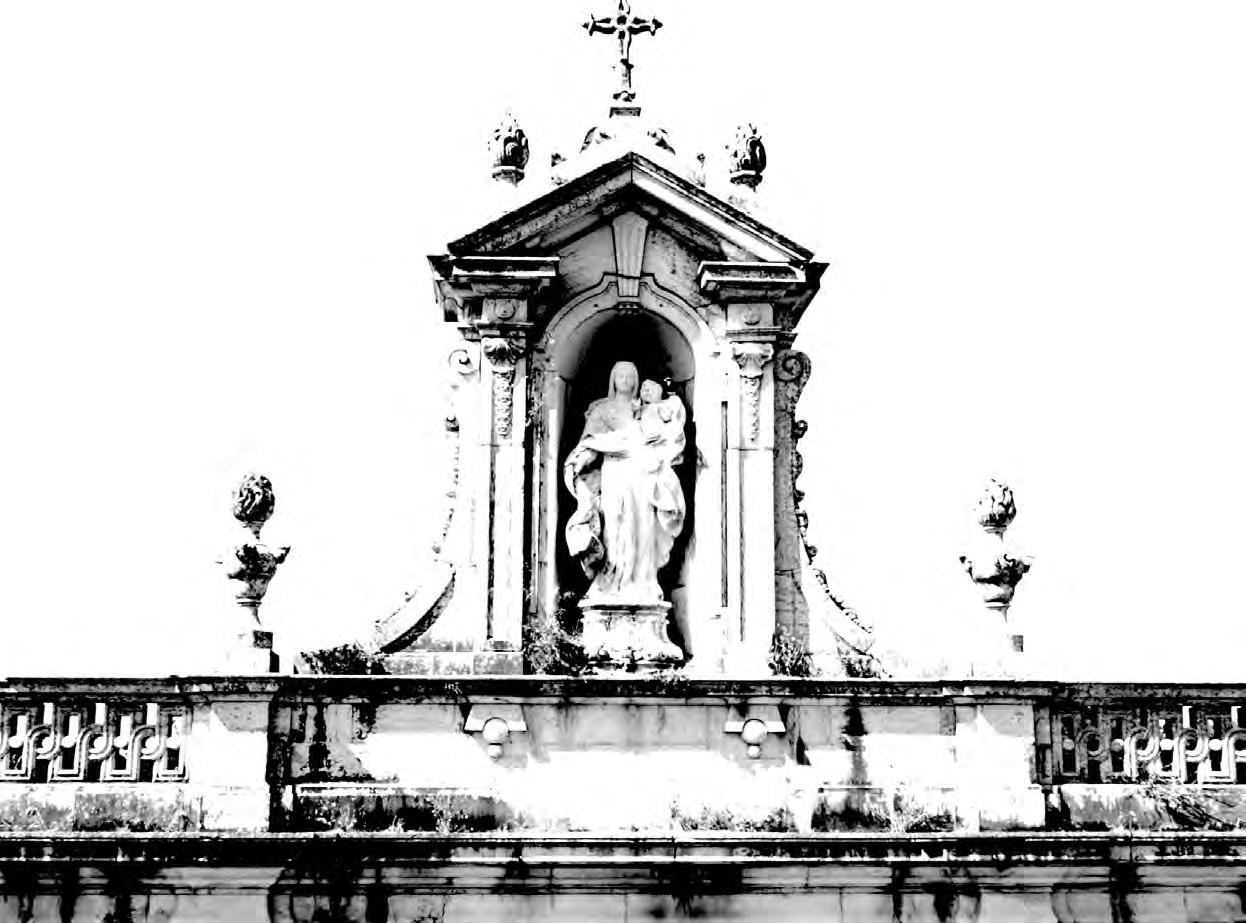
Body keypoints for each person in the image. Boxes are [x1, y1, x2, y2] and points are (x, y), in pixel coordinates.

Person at [564, 363, 686, 604]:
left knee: (642, 526)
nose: (625, 379)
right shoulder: (601, 409)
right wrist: (581, 460)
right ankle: (610, 582)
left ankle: (643, 581)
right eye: (620, 375)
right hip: (614, 472)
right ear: (613, 378)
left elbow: (665, 431)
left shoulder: (644, 409)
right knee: (615, 524)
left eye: (630, 375)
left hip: (641, 472)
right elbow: (590, 442)